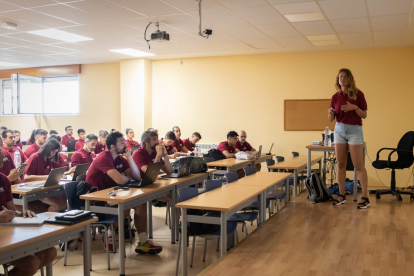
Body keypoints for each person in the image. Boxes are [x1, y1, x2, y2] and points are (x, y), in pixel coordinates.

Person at [86, 131, 163, 254]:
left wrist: (130, 157)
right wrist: (126, 178)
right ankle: (109, 235)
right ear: (112, 146)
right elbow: (120, 180)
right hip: (96, 199)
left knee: (140, 203)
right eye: (121, 142)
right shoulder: (103, 158)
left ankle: (142, 242)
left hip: (113, 195)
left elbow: (137, 177)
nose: (125, 144)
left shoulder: (120, 158)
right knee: (125, 206)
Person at [0, 170, 57, 276]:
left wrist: (21, 214)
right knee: (31, 263)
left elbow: (11, 210)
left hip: (7, 235)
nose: (4, 156)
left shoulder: (3, 179)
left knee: (50, 252)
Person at [328, 68, 368, 209]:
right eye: (340, 77)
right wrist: (330, 113)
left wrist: (354, 107)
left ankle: (365, 197)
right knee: (340, 164)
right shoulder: (335, 97)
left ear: (349, 78)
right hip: (339, 130)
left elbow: (364, 115)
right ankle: (341, 195)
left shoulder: (358, 94)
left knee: (358, 165)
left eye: (345, 77)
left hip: (354, 130)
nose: (342, 79)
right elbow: (332, 118)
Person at [131, 130, 172, 255]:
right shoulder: (138, 153)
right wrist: (158, 156)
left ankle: (182, 226)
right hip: (138, 187)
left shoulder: (155, 152)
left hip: (150, 186)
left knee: (173, 197)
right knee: (141, 204)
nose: (157, 141)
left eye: (157, 138)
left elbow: (169, 171)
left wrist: (164, 155)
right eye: (154, 139)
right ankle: (142, 241)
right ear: (146, 142)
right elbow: (149, 174)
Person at [24, 138, 68, 212]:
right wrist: (46, 177)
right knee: (57, 204)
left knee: (64, 200)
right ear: (48, 148)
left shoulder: (48, 158)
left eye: (56, 152)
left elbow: (56, 171)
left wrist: (60, 175)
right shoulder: (35, 156)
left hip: (43, 188)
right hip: (32, 190)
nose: (54, 154)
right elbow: (26, 177)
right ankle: (47, 220)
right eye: (53, 151)